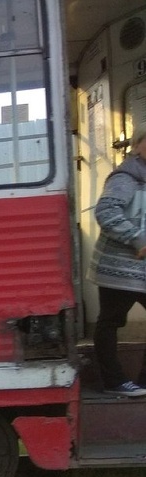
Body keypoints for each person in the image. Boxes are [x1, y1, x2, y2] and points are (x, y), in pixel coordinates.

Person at [89, 122, 146, 397]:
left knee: (109, 321)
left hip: (142, 268)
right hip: (119, 268)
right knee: (111, 321)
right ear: (137, 146)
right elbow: (106, 212)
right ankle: (114, 381)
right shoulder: (126, 177)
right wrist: (138, 238)